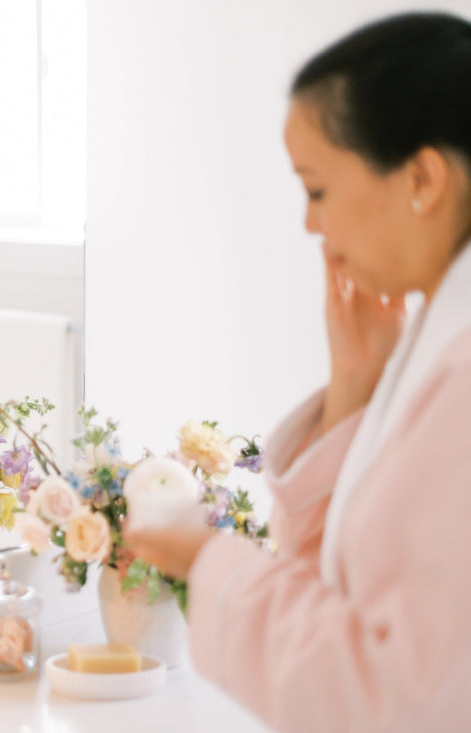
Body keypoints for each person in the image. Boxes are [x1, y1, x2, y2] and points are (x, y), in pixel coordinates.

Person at [124, 12, 471, 732]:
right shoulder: (438, 339)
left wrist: (214, 563)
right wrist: (357, 388)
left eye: (316, 189)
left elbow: (397, 694)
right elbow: (357, 578)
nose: (311, 226)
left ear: (422, 177)